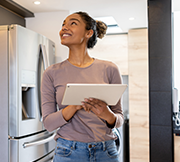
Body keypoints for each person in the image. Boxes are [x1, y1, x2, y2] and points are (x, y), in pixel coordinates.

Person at [41, 11, 123, 162]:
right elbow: (48, 123)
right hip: (68, 152)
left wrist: (107, 114)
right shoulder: (51, 73)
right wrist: (73, 107)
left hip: (106, 151)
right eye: (63, 24)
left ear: (88, 33)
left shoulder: (110, 69)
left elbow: (119, 118)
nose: (64, 28)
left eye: (72, 23)